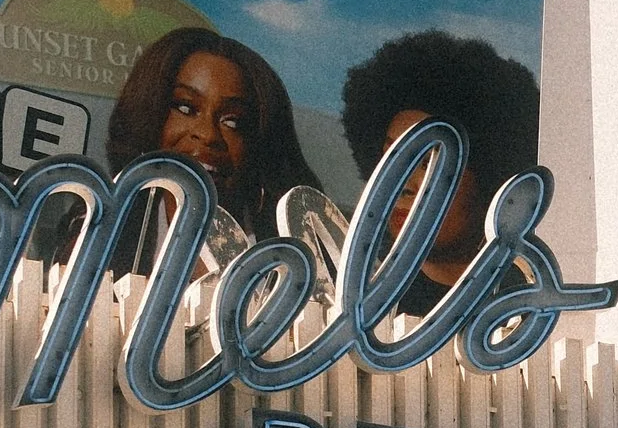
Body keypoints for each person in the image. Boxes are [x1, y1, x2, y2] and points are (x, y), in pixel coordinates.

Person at [340, 28, 541, 294]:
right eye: (392, 158)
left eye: (428, 163)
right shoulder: (351, 287)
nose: (404, 185)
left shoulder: (529, 296)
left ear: (489, 173)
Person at [104, 25, 318, 247]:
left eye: (233, 121)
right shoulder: (100, 234)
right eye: (186, 108)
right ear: (149, 116)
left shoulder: (297, 251)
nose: (208, 135)